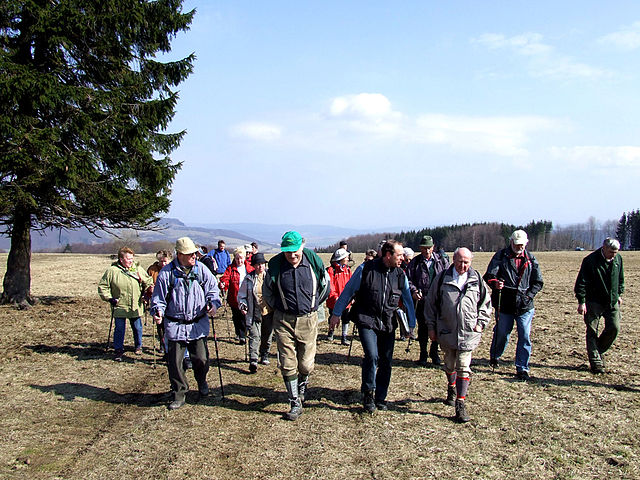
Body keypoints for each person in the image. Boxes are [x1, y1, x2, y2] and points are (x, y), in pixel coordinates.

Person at [330, 240, 416, 414]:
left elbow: (407, 299)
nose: (402, 258)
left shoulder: (400, 275)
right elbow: (348, 291)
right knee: (372, 355)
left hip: (388, 322)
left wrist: (412, 324)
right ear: (388, 255)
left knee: (386, 361)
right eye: (399, 255)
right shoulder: (366, 269)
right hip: (366, 319)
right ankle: (368, 394)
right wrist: (336, 313)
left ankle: (381, 397)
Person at [263, 231, 330, 421]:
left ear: (302, 247)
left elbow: (325, 285)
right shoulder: (276, 265)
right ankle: (294, 402)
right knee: (287, 362)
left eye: (295, 251)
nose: (292, 255)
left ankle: (302, 383)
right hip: (283, 320)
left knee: (306, 364)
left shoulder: (312, 260)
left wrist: (314, 305)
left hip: (308, 320)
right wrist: (277, 308)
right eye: (287, 252)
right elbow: (268, 291)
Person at [150, 237, 221, 410]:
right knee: (175, 362)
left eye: (195, 254)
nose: (194, 257)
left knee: (201, 359)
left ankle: (202, 381)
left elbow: (213, 289)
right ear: (180, 255)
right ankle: (179, 393)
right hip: (175, 325)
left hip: (198, 324)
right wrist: (157, 311)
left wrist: (213, 304)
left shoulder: (201, 270)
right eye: (190, 254)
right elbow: (158, 299)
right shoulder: (167, 273)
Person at [425, 247, 491, 423]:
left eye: (466, 262)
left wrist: (480, 324)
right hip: (446, 331)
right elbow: (430, 305)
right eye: (460, 261)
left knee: (463, 365)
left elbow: (485, 304)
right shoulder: (441, 279)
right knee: (449, 364)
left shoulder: (476, 279)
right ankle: (451, 387)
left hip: (469, 332)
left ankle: (460, 404)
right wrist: (431, 328)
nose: (463, 265)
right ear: (453, 260)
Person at [484, 229, 544, 380]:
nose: (519, 247)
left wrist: (529, 296)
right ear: (511, 242)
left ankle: (522, 367)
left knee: (524, 335)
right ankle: (495, 355)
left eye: (522, 245)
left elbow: (538, 282)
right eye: (517, 244)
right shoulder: (501, 256)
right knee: (503, 333)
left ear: (526, 244)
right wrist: (495, 283)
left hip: (524, 305)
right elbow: (489, 276)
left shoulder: (531, 259)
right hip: (504, 303)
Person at [574, 238, 624, 374]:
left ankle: (598, 350)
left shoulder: (618, 260)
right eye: (611, 252)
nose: (613, 255)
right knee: (591, 331)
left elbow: (620, 279)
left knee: (614, 327)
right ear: (604, 248)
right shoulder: (590, 261)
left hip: (612, 302)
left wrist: (619, 294)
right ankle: (596, 363)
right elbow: (581, 282)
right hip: (593, 302)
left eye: (616, 252)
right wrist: (582, 301)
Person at [98, 247, 153, 362]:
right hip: (120, 305)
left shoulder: (137, 269)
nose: (131, 261)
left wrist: (148, 292)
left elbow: (148, 281)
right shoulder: (112, 271)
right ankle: (118, 349)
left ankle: (138, 346)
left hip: (136, 305)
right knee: (119, 328)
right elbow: (103, 286)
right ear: (121, 259)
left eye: (132, 258)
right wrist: (109, 298)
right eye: (128, 259)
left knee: (137, 327)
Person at [405, 235, 450, 366]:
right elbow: (408, 280)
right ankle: (423, 353)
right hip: (422, 300)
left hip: (438, 301)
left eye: (429, 248)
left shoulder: (441, 261)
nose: (427, 251)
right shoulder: (415, 262)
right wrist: (413, 291)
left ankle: (434, 352)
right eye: (424, 248)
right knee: (423, 328)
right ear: (420, 248)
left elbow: (448, 277)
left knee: (437, 326)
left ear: (433, 247)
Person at [238, 253, 274, 373]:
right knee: (254, 336)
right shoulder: (248, 279)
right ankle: (253, 359)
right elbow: (241, 296)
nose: (260, 266)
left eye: (262, 264)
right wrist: (243, 306)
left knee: (267, 335)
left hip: (269, 312)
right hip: (254, 312)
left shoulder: (270, 277)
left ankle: (264, 355)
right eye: (258, 264)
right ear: (254, 266)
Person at [219, 247, 252, 344]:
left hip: (247, 296)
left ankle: (244, 333)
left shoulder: (249, 268)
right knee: (237, 316)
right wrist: (223, 284)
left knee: (245, 316)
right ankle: (241, 335)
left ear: (245, 257)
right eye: (237, 258)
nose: (239, 260)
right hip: (234, 297)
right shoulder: (231, 268)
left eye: (241, 258)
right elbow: (225, 278)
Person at [147, 250, 173, 353]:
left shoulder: (172, 270)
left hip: (171, 301)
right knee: (160, 324)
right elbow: (147, 282)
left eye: (165, 261)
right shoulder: (152, 270)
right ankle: (163, 345)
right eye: (161, 261)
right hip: (157, 299)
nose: (163, 263)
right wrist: (149, 290)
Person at [326, 248, 353, 345]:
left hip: (346, 301)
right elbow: (330, 286)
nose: (348, 258)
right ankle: (331, 332)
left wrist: (352, 296)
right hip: (334, 301)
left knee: (346, 318)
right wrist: (335, 297)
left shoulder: (347, 269)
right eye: (346, 257)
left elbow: (351, 284)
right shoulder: (331, 270)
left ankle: (344, 336)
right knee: (332, 317)